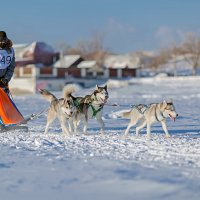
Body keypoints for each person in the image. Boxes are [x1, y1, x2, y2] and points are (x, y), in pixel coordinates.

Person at [0, 31, 24, 128]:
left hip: (3, 80)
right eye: (0, 41)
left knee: (4, 102)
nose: (1, 43)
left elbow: (11, 67)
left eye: (3, 41)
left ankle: (10, 120)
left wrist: (6, 79)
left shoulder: (10, 50)